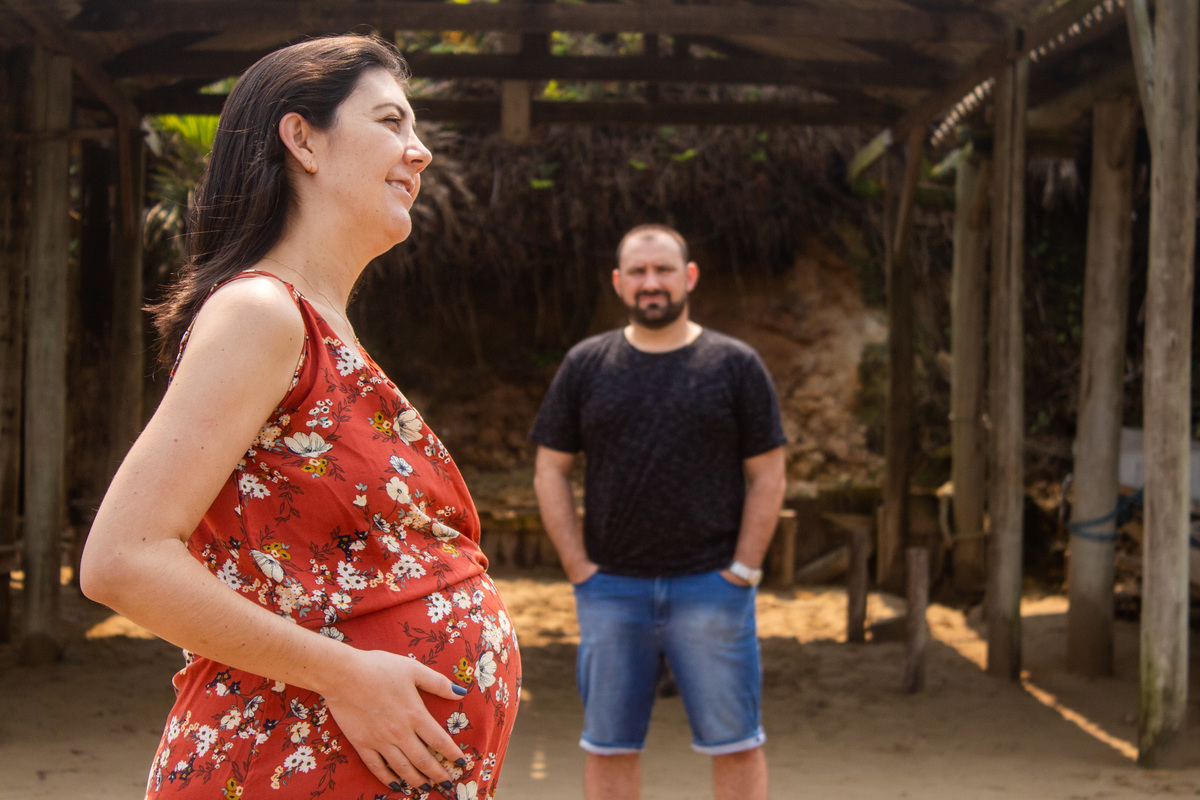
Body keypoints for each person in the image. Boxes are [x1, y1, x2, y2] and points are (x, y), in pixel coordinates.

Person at [80, 34, 519, 800]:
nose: (418, 152)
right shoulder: (261, 312)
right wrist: (346, 674)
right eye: (391, 122)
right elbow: (123, 558)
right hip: (289, 755)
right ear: (302, 139)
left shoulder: (319, 325)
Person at [529, 223, 787, 800]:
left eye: (664, 270)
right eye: (639, 272)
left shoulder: (735, 364)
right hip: (611, 590)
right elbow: (550, 469)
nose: (652, 282)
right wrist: (578, 568)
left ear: (689, 277)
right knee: (608, 746)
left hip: (713, 587)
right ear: (619, 283)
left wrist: (744, 569)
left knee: (737, 742)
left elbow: (769, 474)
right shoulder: (586, 364)